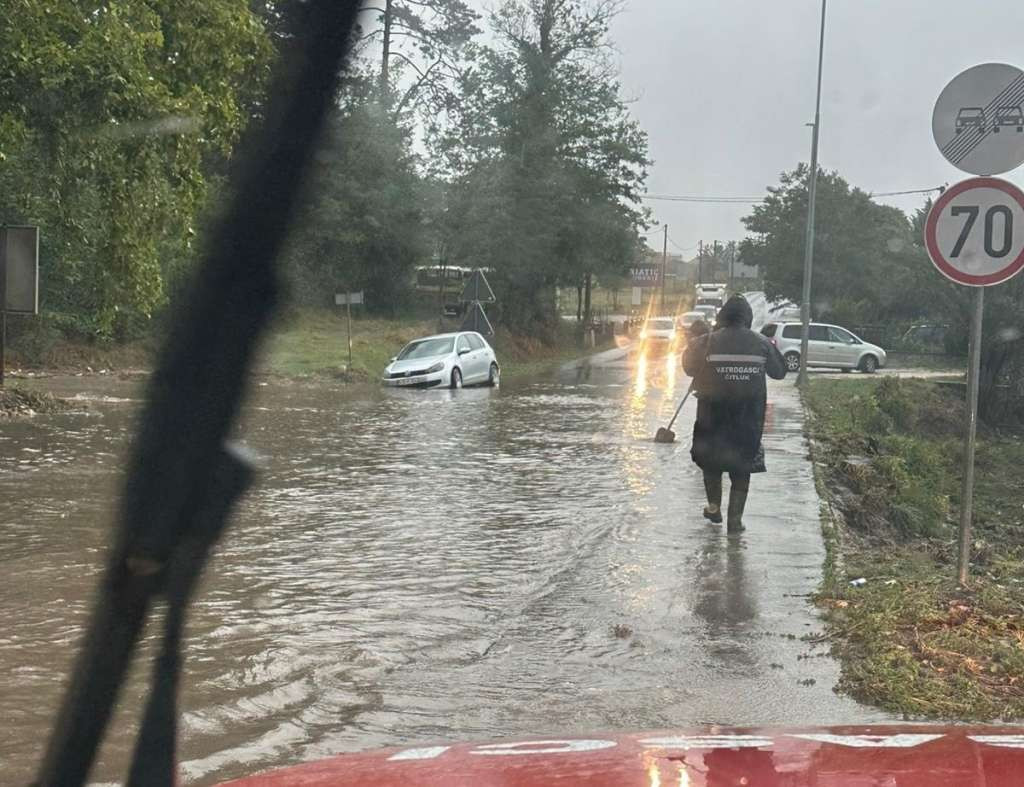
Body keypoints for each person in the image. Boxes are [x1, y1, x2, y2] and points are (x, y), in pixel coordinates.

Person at [682, 295, 786, 533]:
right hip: (748, 422)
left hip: (711, 420)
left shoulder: (705, 342)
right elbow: (779, 372)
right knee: (742, 470)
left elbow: (688, 368)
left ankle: (714, 507)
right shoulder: (761, 343)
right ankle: (735, 521)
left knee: (711, 466)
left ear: (721, 318)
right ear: (747, 318)